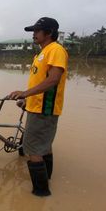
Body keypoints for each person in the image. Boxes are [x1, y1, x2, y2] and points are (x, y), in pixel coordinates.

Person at [8, 17, 68, 197]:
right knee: (44, 145)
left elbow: (53, 80)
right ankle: (46, 178)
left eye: (37, 31)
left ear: (49, 33)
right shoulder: (41, 53)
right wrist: (28, 100)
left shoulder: (56, 50)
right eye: (32, 31)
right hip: (37, 107)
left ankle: (40, 193)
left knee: (33, 149)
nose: (33, 34)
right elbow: (40, 81)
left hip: (45, 109)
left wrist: (25, 93)